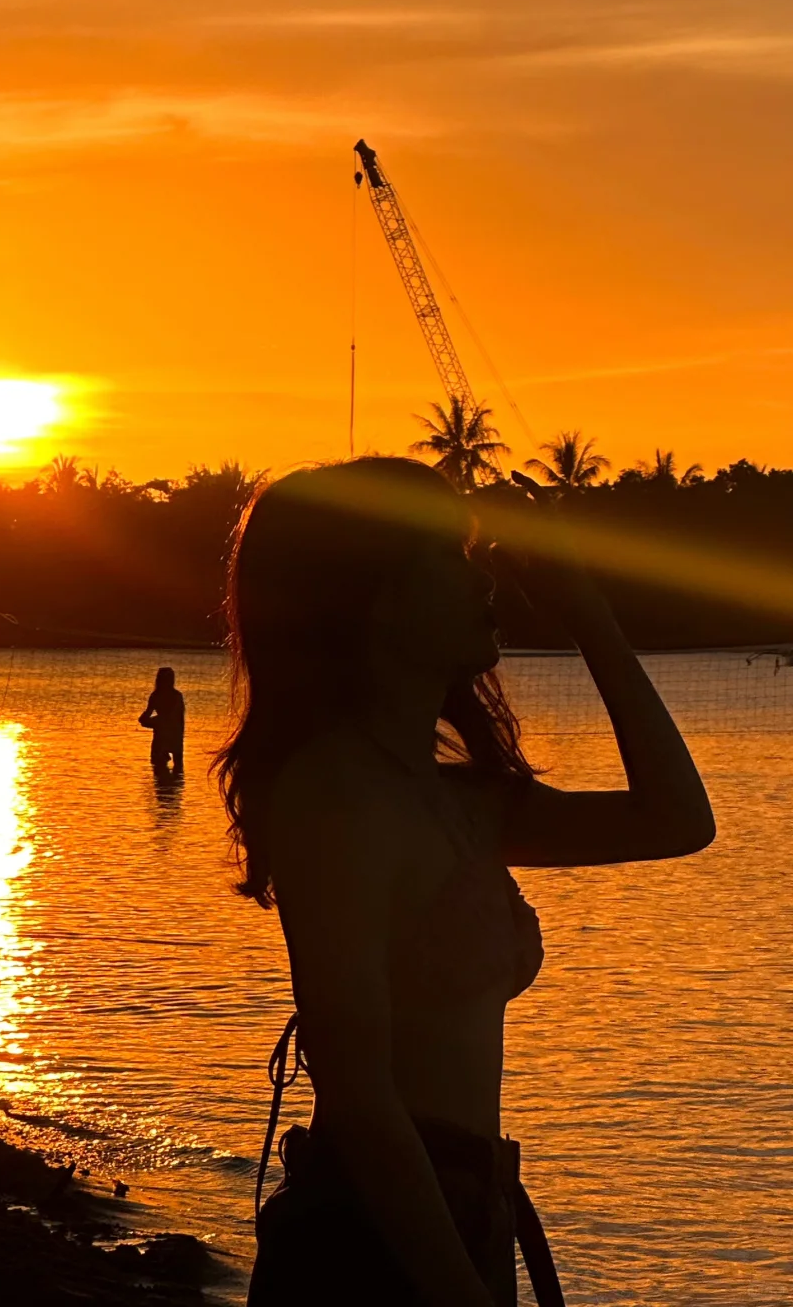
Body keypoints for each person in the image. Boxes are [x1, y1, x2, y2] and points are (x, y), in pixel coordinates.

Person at [214, 457, 715, 1307]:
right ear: (373, 592)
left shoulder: (456, 799)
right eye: (450, 553)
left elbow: (677, 821)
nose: (480, 573)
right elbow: (362, 1093)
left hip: (461, 1217)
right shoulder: (337, 795)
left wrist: (586, 610)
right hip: (373, 1244)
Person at [139, 667, 185, 774]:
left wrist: (150, 721)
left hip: (162, 735)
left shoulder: (156, 695)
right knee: (177, 770)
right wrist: (180, 736)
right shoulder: (177, 696)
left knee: (159, 769)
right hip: (175, 734)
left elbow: (146, 718)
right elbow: (180, 719)